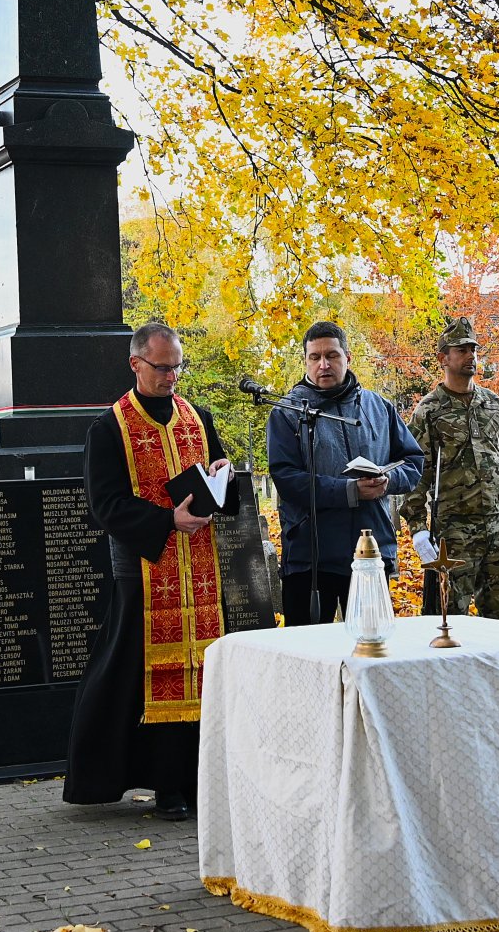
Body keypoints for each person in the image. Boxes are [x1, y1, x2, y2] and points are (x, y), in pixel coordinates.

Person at [64, 322, 229, 821]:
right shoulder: (109, 427)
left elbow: (219, 478)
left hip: (200, 571)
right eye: (162, 367)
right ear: (136, 364)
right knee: (144, 672)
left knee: (204, 671)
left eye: (177, 366)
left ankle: (202, 779)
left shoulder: (197, 417)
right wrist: (165, 520)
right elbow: (105, 504)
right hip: (143, 568)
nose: (172, 376)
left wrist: (226, 479)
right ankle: (166, 785)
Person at [266, 320, 424, 625]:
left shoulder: (379, 407)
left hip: (370, 548)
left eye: (332, 355)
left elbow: (413, 462)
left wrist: (388, 480)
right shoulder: (287, 412)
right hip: (311, 558)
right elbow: (287, 480)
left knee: (373, 649)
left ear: (347, 358)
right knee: (308, 659)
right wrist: (349, 491)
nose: (324, 364)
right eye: (315, 357)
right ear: (306, 361)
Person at [397, 317, 499, 621]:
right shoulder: (429, 409)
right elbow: (418, 470)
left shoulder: (493, 404)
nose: (471, 356)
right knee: (447, 619)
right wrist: (417, 529)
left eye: (474, 349)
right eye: (462, 350)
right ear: (444, 358)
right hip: (454, 532)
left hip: (498, 527)